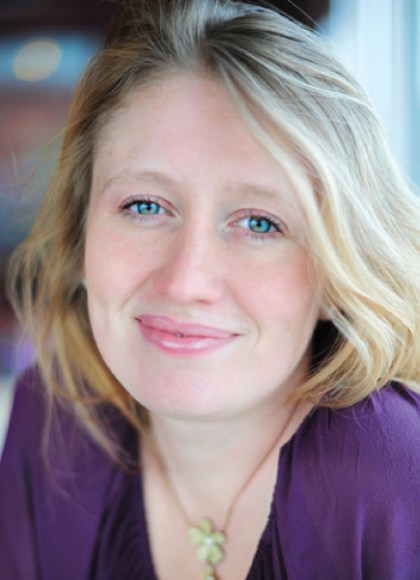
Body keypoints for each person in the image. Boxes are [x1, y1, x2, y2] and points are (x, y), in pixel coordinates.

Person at [1, 0, 420, 578]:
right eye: (144, 206)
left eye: (260, 223)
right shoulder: (51, 418)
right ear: (79, 238)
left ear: (337, 275)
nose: (185, 282)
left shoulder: (396, 478)